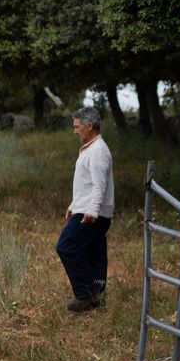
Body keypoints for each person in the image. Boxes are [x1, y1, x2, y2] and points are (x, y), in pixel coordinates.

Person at [56, 106, 114, 312]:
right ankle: (97, 295)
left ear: (90, 126)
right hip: (87, 208)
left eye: (77, 127)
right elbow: (85, 184)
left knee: (66, 247)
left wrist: (92, 211)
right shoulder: (91, 148)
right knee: (93, 252)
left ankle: (85, 295)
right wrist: (74, 205)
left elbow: (100, 185)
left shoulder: (98, 151)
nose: (75, 131)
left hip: (92, 213)